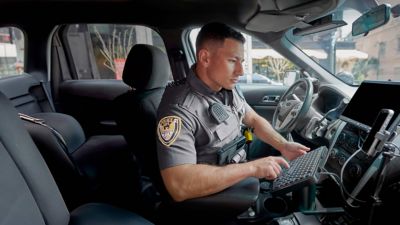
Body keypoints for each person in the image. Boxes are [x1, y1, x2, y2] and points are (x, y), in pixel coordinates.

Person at [156, 22, 310, 202]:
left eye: (242, 62)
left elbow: (252, 118)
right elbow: (179, 186)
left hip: (237, 169)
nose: (241, 71)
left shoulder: (225, 86)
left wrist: (283, 145)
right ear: (205, 58)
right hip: (218, 197)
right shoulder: (179, 110)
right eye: (232, 61)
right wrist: (252, 169)